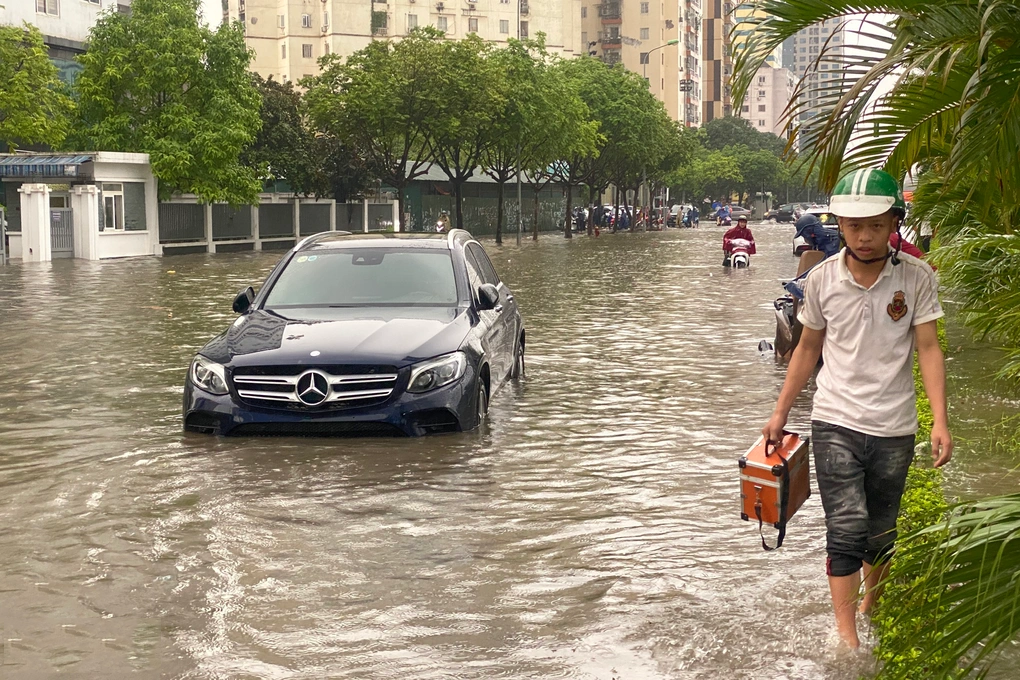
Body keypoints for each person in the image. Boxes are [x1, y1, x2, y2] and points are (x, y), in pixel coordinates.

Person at [761, 168, 952, 650]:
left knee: (881, 530)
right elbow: (806, 349)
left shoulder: (917, 277)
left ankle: (871, 606)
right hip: (835, 421)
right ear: (839, 226)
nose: (864, 237)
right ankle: (848, 640)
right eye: (852, 226)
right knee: (845, 528)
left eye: (875, 225)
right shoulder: (821, 279)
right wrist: (780, 412)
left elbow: (928, 348)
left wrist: (941, 421)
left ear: (894, 224)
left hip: (895, 425)